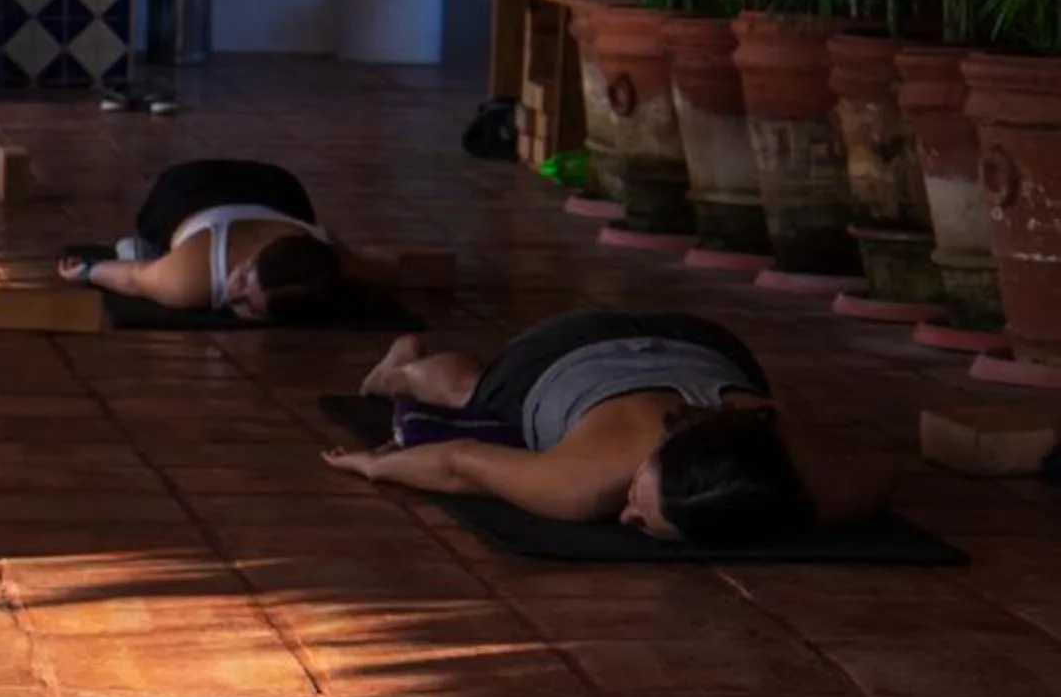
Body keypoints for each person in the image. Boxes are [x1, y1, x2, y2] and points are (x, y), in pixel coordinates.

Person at [326, 308, 890, 543]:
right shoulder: (583, 483)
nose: (622, 515)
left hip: (703, 339)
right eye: (636, 498)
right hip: (567, 349)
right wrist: (374, 466)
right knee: (470, 390)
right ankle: (399, 371)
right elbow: (459, 459)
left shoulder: (823, 482)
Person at [56, 158, 344, 321]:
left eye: (250, 306)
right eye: (243, 278)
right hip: (193, 187)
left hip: (276, 189)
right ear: (254, 255)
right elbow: (134, 277)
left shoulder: (329, 264)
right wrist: (87, 270)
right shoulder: (191, 277)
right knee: (153, 234)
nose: (233, 295)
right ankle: (159, 254)